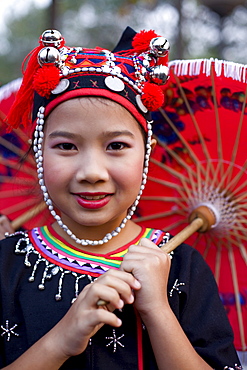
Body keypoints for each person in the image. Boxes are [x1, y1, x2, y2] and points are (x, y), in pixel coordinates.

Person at [0, 27, 242, 370]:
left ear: (147, 154)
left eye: (116, 146)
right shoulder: (7, 263)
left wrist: (157, 308)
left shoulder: (180, 266)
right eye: (66, 146)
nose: (92, 172)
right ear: (39, 152)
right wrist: (62, 339)